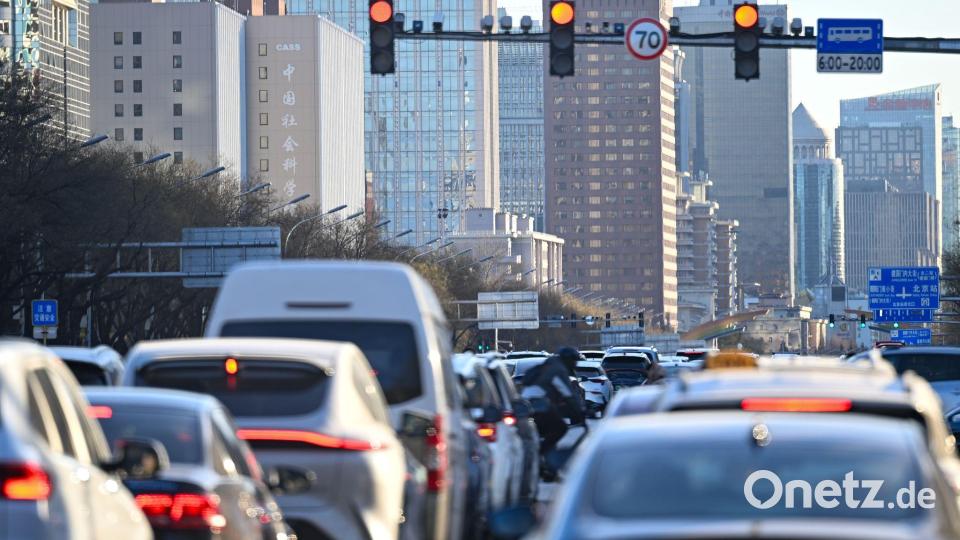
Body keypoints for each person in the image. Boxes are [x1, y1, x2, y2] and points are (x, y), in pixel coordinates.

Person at [520, 346, 586, 456]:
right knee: (560, 428)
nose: (575, 364)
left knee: (547, 427)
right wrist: (581, 410)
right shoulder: (559, 370)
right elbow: (568, 394)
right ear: (568, 360)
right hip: (537, 402)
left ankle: (542, 454)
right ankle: (539, 454)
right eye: (574, 361)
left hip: (528, 402)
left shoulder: (550, 364)